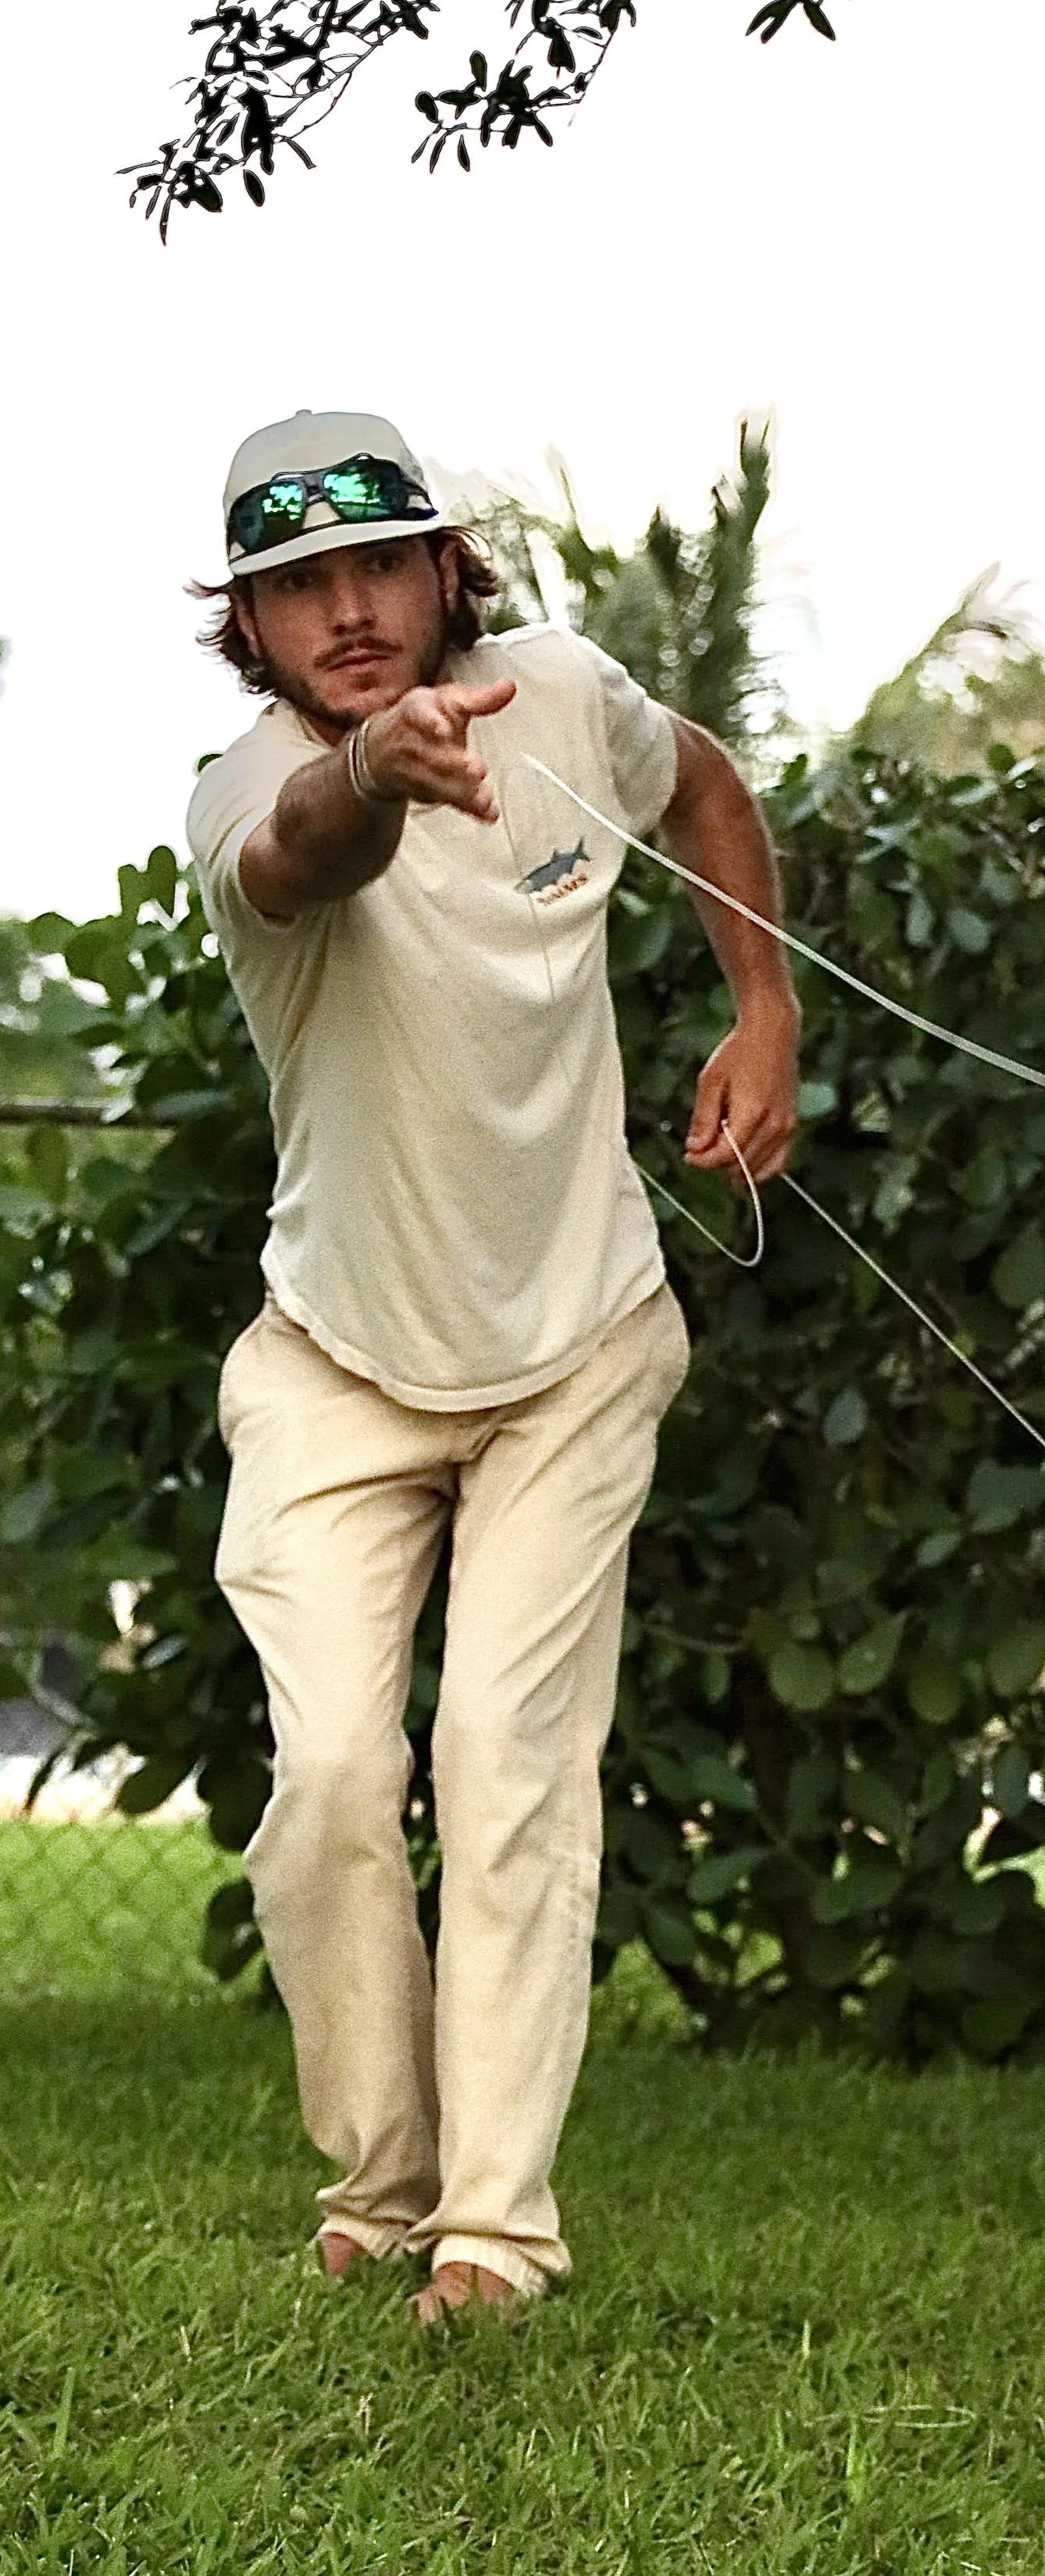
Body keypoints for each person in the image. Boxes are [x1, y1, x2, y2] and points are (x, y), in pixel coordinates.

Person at [186, 409, 800, 2322]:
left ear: (449, 569)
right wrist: (373, 764)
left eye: (379, 566)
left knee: (510, 1763)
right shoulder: (245, 788)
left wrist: (761, 1000)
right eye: (297, 589)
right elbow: (308, 847)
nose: (347, 612)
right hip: (334, 1362)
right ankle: (383, 2170)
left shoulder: (564, 694)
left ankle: (494, 2230)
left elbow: (697, 779)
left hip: (577, 1347)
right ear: (254, 628)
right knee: (340, 1779)